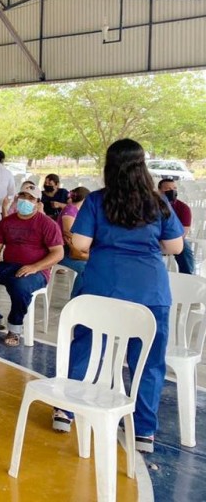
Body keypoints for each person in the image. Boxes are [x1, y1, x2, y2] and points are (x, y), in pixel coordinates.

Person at [55, 139, 184, 454]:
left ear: (109, 166)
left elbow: (80, 245)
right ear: (143, 166)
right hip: (149, 293)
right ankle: (143, 430)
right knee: (148, 362)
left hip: (102, 288)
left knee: (86, 345)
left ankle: (65, 410)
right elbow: (176, 247)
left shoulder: (98, 201)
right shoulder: (158, 203)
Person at [0, 182, 64, 346]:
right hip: (8, 266)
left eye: (31, 198)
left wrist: (34, 267)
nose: (25, 200)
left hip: (36, 271)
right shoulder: (7, 222)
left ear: (38, 203)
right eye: (23, 196)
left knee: (19, 286)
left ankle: (15, 328)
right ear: (17, 198)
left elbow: (58, 253)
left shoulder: (47, 224)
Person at [56, 186, 90, 297]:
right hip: (63, 251)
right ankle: (74, 301)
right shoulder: (70, 210)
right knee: (85, 269)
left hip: (70, 249)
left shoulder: (76, 211)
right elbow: (68, 233)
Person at [159, 178, 195, 274]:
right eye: (167, 189)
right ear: (159, 191)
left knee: (184, 248)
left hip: (174, 237)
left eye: (174, 188)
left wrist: (168, 242)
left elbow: (183, 233)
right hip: (154, 236)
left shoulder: (183, 208)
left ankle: (189, 276)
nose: (172, 191)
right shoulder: (152, 205)